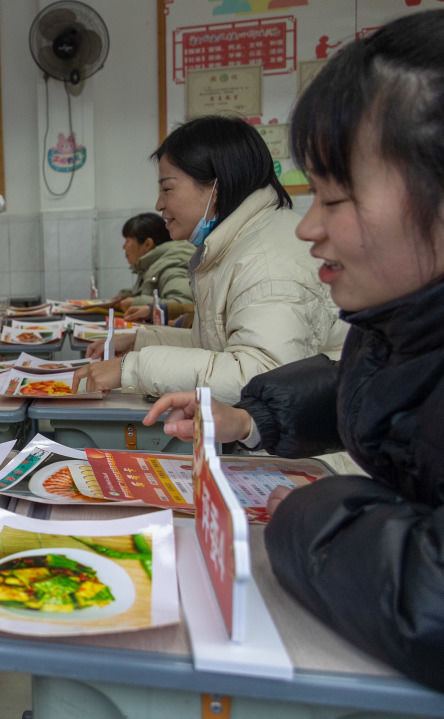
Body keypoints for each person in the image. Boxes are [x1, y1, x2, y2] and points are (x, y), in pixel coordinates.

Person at [143, 9, 444, 691]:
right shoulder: (395, 316)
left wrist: (300, 511)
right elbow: (375, 388)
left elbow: (429, 600)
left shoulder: (273, 261)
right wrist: (252, 418)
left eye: (337, 197)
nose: (309, 226)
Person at [74, 115, 346, 403]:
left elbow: (262, 376)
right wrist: (142, 341)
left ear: (216, 186)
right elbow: (220, 348)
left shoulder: (267, 262)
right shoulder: (237, 244)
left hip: (303, 447)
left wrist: (133, 369)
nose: (159, 204)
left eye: (167, 188)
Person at [98, 212, 194, 320]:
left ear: (147, 244)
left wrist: (136, 302)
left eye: (127, 241)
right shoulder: (152, 265)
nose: (124, 247)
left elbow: (184, 304)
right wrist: (128, 296)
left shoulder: (172, 265)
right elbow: (153, 293)